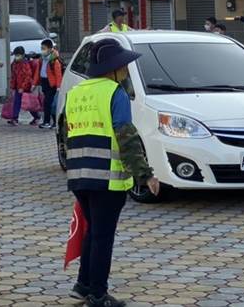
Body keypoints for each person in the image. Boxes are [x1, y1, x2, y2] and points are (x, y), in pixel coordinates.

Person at [65, 38, 159, 307]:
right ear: (114, 68)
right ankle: (98, 294)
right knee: (102, 236)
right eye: (124, 66)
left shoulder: (76, 92)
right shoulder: (115, 93)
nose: (127, 71)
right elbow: (126, 137)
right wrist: (145, 174)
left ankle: (83, 286)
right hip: (107, 178)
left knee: (92, 231)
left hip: (79, 176)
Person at [33, 39, 63, 129]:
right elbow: (38, 72)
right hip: (44, 83)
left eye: (44, 48)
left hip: (52, 85)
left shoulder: (54, 61)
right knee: (47, 103)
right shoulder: (41, 60)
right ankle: (48, 122)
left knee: (50, 104)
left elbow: (58, 74)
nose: (42, 50)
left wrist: (58, 87)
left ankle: (51, 122)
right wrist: (34, 83)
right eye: (41, 48)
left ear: (50, 49)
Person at [7, 46, 40, 126]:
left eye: (18, 55)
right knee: (17, 102)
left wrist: (23, 87)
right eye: (15, 55)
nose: (16, 57)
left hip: (25, 87)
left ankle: (36, 116)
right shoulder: (14, 64)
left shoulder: (25, 64)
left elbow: (28, 76)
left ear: (22, 55)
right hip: (18, 87)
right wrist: (13, 87)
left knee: (28, 104)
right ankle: (15, 118)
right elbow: (13, 76)